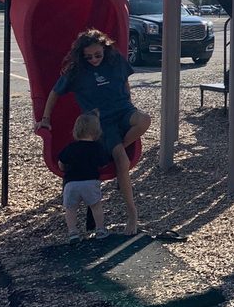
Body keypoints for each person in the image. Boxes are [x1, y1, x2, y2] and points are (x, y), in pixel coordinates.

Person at [35, 28, 150, 235]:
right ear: (82, 56)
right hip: (102, 122)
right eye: (89, 57)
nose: (94, 59)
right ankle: (132, 214)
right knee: (122, 162)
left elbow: (125, 82)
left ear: (105, 49)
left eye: (98, 55)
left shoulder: (115, 61)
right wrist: (45, 119)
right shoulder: (77, 72)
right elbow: (54, 93)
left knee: (145, 120)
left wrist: (129, 102)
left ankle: (113, 149)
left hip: (123, 109)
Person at [58, 112, 113, 242]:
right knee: (95, 206)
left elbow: (61, 163)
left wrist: (63, 169)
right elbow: (104, 163)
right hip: (90, 182)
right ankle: (100, 229)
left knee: (71, 209)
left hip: (71, 184)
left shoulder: (71, 147)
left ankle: (73, 233)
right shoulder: (97, 148)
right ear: (96, 132)